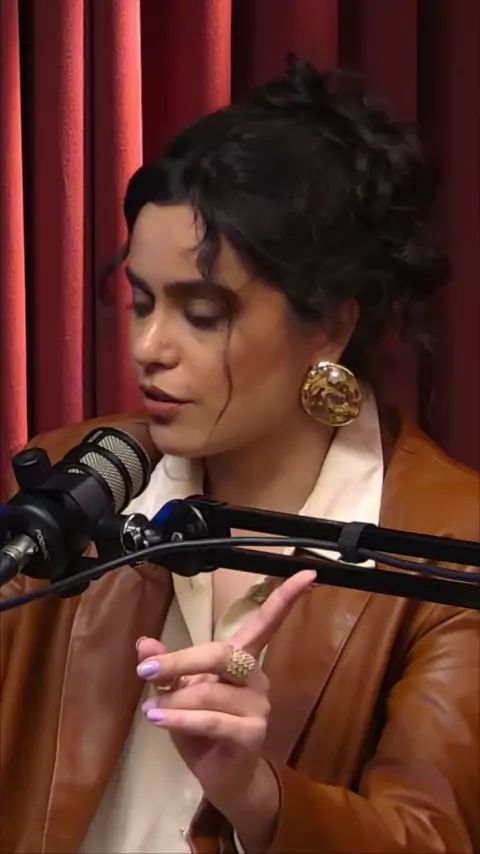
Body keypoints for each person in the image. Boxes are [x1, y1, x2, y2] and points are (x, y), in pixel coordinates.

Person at [1, 56, 479, 854]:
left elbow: (428, 839)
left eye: (202, 313)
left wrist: (259, 798)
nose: (149, 347)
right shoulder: (70, 482)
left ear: (328, 326)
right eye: (143, 303)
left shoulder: (447, 545)